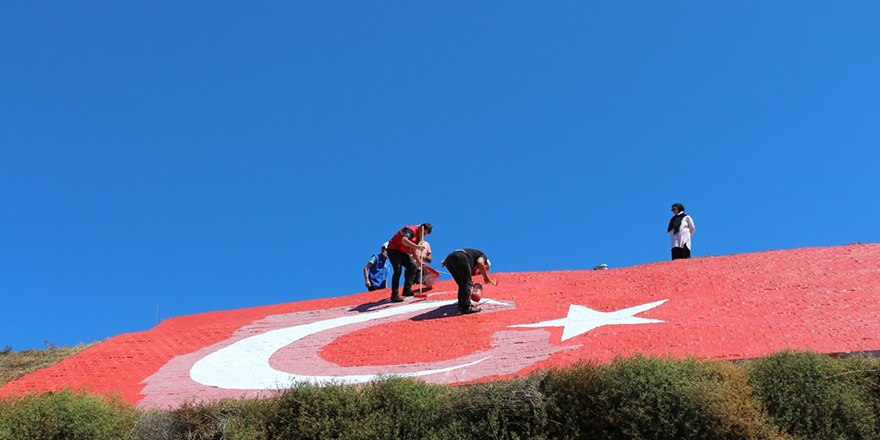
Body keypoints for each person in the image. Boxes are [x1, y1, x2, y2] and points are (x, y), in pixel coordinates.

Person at [386, 223, 432, 302]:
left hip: (403, 252)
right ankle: (394, 295)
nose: (423, 235)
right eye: (423, 233)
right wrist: (417, 246)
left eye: (425, 235)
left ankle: (407, 290)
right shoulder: (411, 230)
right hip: (393, 250)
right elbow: (404, 240)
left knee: (413, 266)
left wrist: (419, 261)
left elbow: (413, 251)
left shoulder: (418, 238)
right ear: (421, 228)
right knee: (398, 270)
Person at [441, 248, 494, 314]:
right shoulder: (483, 257)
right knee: (466, 283)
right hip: (461, 257)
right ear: (486, 265)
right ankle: (466, 307)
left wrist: (471, 283)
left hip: (448, 260)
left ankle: (462, 306)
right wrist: (486, 277)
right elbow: (480, 262)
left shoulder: (472, 260)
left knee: (462, 283)